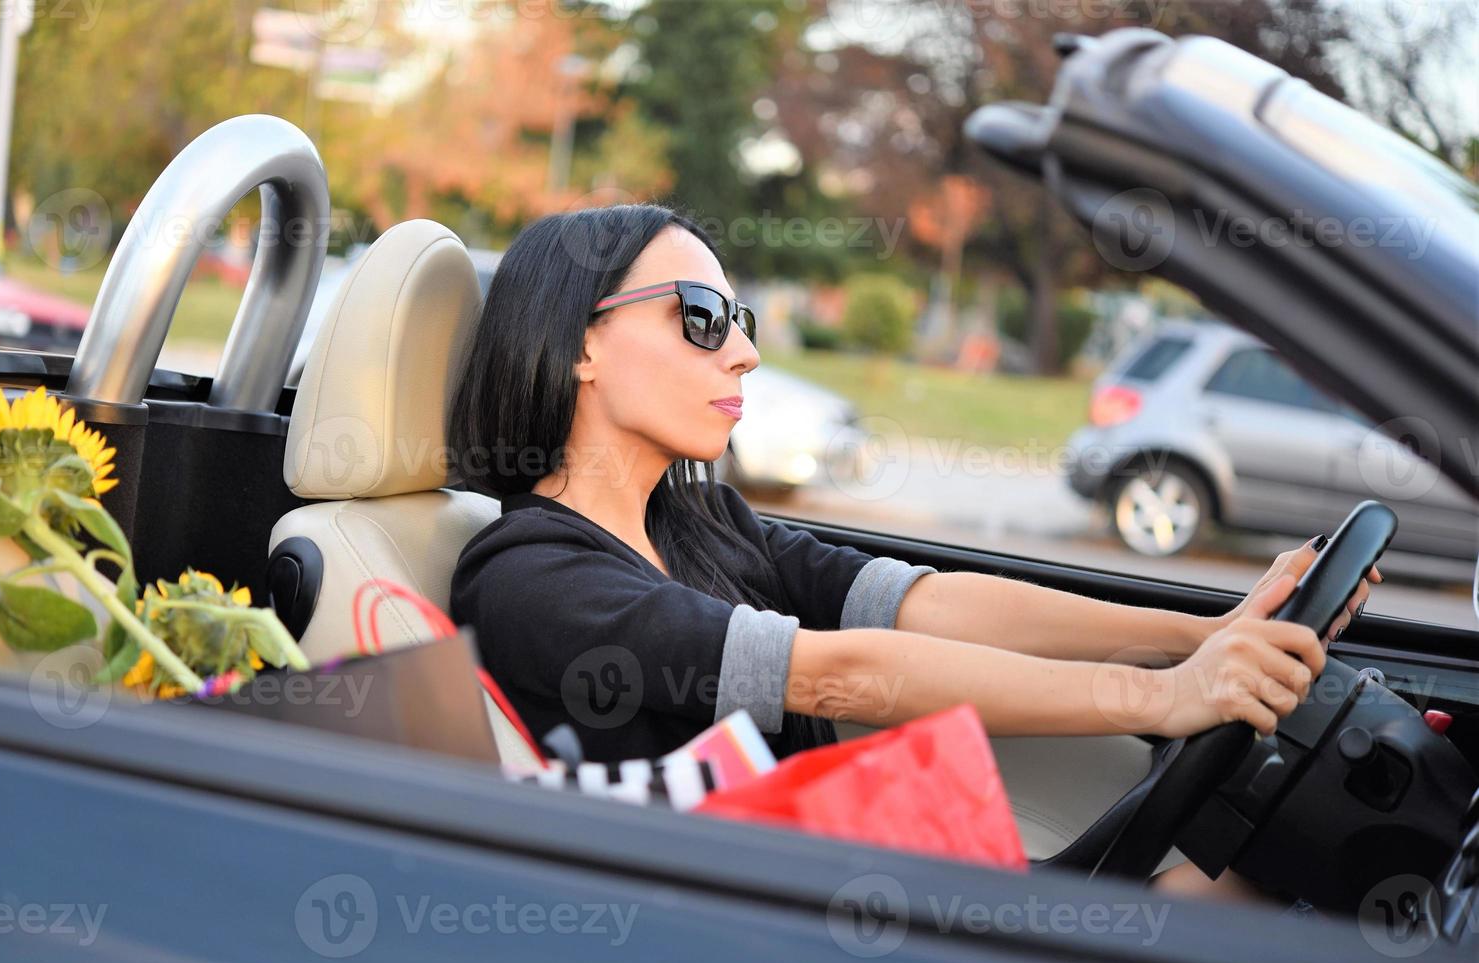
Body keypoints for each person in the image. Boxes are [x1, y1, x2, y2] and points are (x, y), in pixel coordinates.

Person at [447, 203, 1379, 898]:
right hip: (738, 928)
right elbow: (835, 673)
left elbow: (927, 605)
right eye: (700, 316)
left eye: (743, 322)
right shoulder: (532, 576)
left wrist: (1202, 633)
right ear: (580, 346)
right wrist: (1165, 697)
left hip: (822, 891)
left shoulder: (702, 523)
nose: (742, 355)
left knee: (1258, 884)